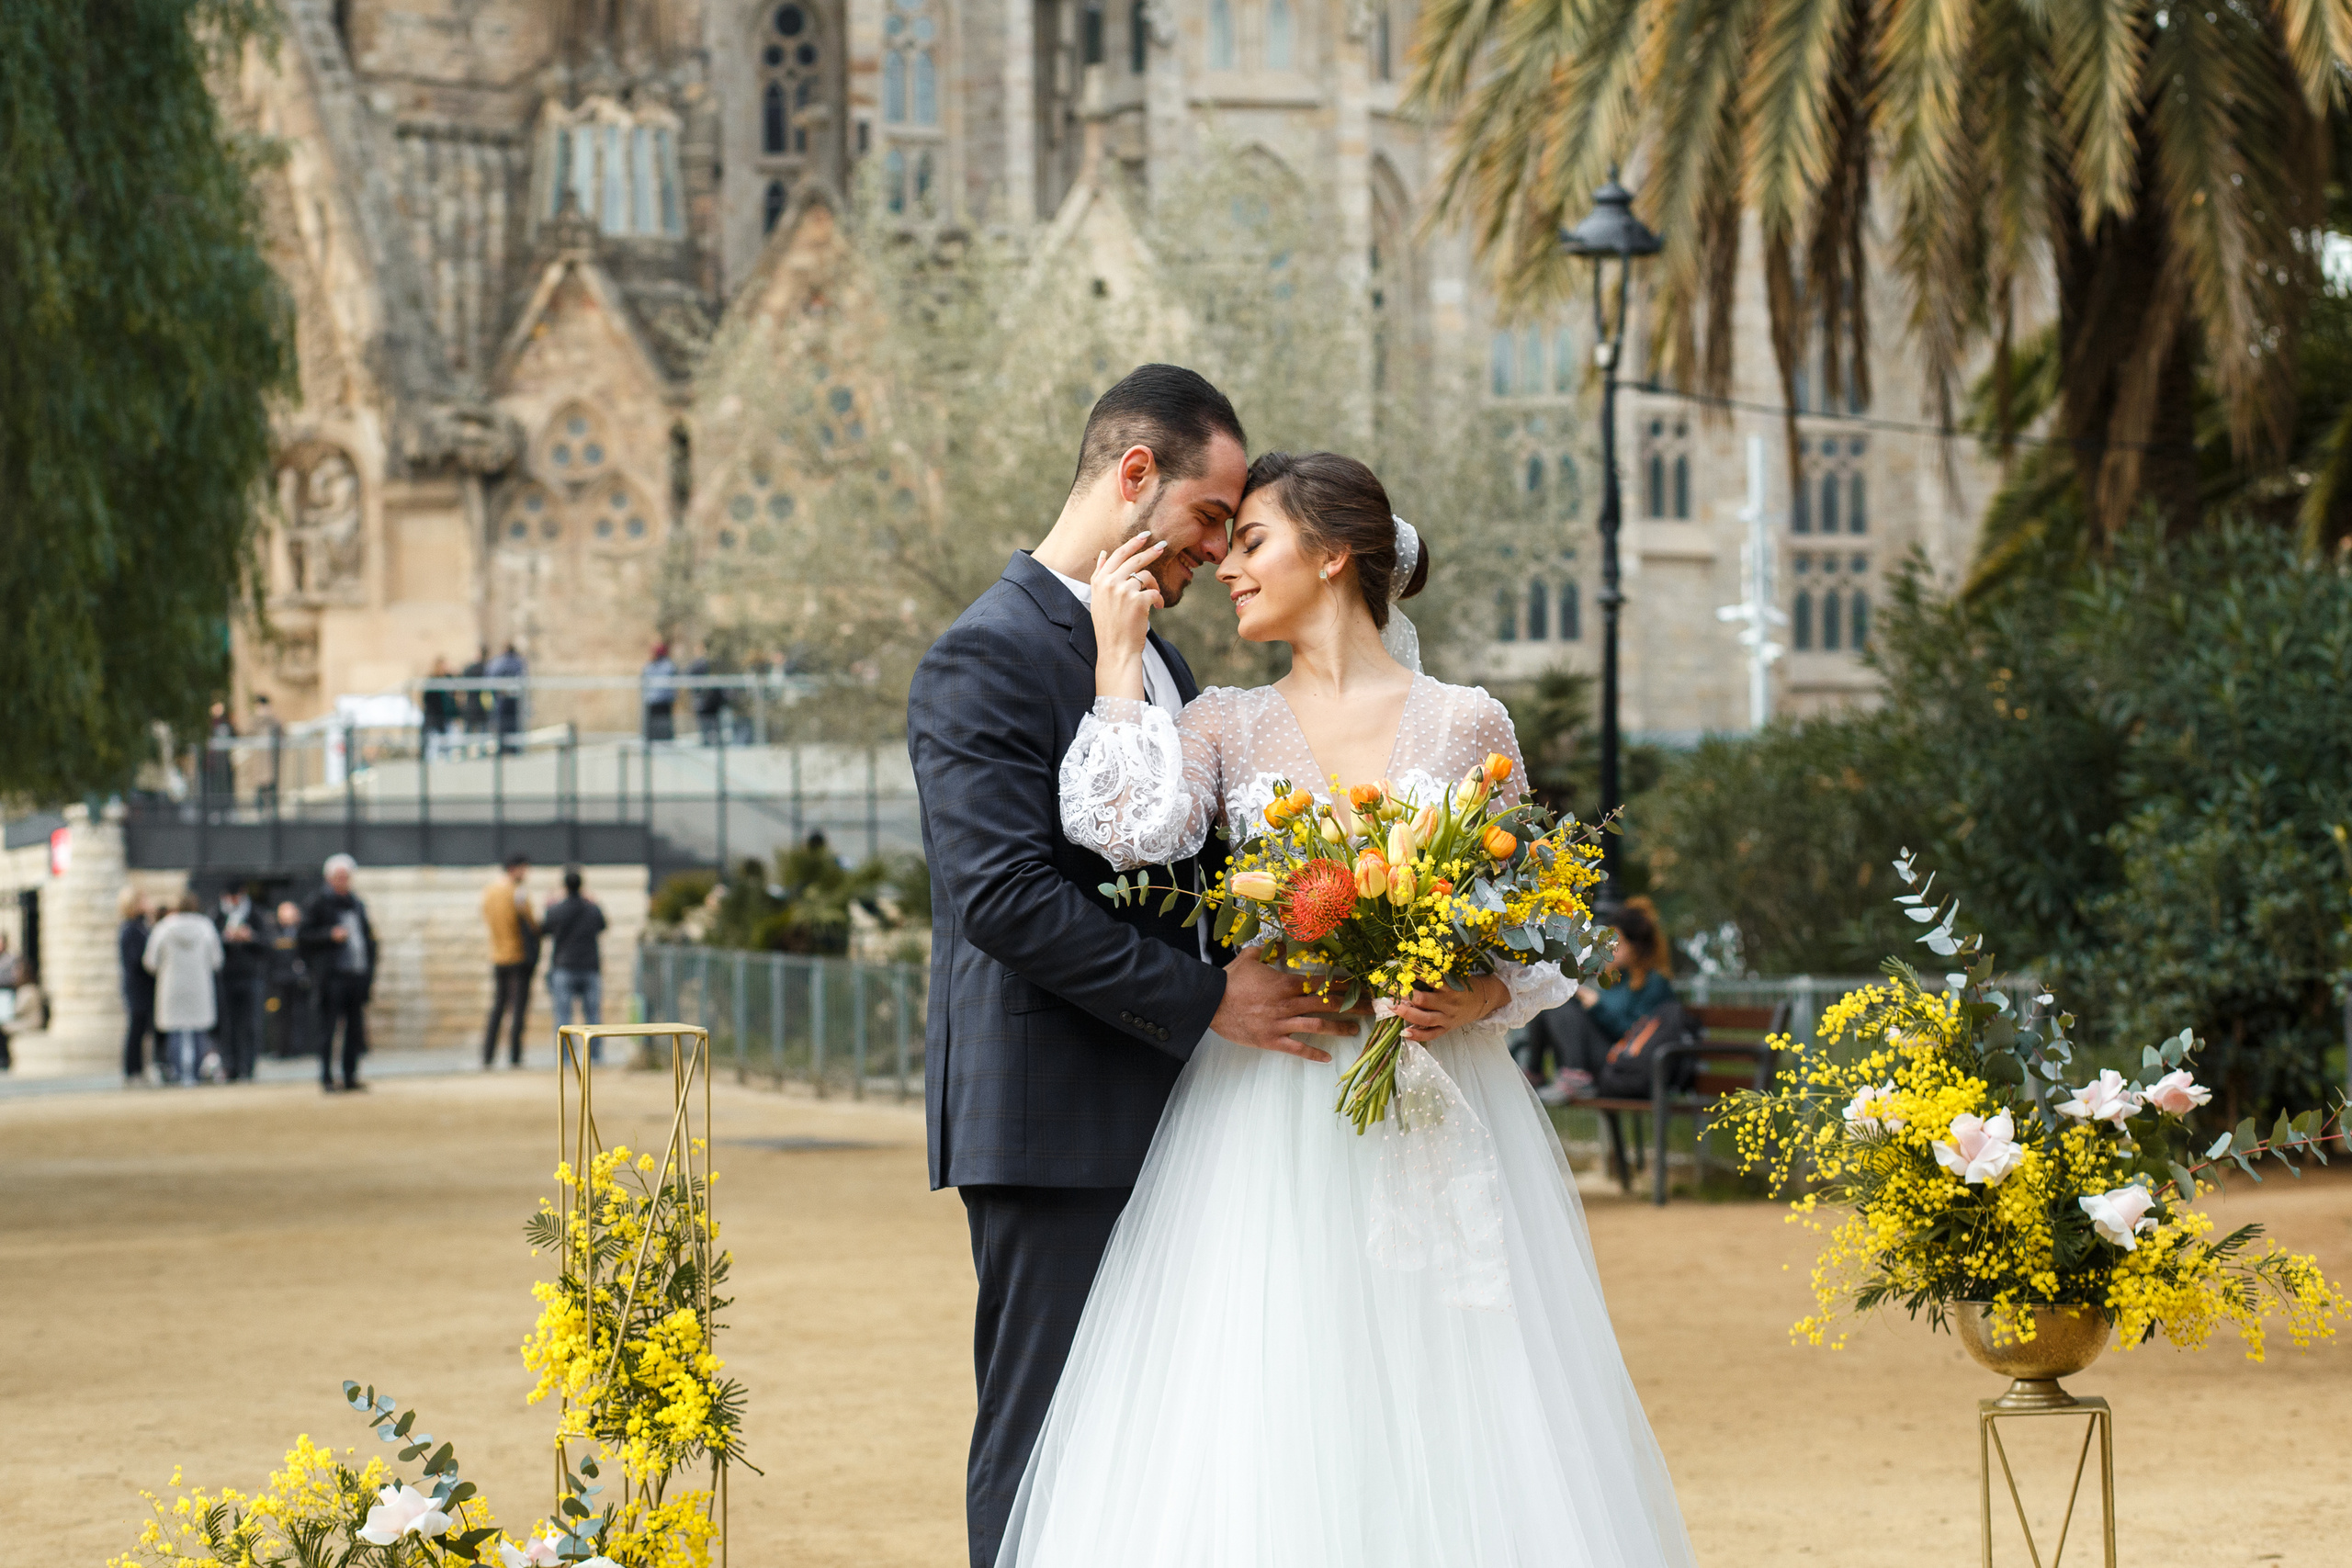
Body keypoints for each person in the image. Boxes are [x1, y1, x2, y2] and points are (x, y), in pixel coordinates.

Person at [994, 428, 1693, 1564]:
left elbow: (1547, 921)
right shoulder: (1223, 720)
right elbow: (1124, 834)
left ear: (1332, 555)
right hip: (1273, 1103)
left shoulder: (1469, 722)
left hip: (1440, 1095)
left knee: (1455, 1386)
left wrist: (1481, 996)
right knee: (1276, 1390)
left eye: (1252, 540)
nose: (1226, 564)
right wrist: (1116, 664)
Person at [911, 367, 1374, 1568]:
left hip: (1180, 1117)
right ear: (1134, 480)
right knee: (1047, 1429)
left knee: (1156, 1445)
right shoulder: (986, 653)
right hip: (1053, 1115)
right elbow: (1002, 897)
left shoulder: (1154, 658)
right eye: (1213, 517)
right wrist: (1213, 996)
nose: (1218, 554)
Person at [1525, 897, 1680, 1105]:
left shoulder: (1654, 984)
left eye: (1616, 942)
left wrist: (1597, 1006)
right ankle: (1536, 1074)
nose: (1607, 948)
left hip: (1622, 1064)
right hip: (1604, 1058)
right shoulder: (1618, 978)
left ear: (1635, 947)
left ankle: (1573, 1076)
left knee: (1561, 1002)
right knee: (1552, 996)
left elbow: (1637, 1034)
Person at [300, 854, 376, 1092]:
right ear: (329, 878)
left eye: (346, 877)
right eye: (339, 877)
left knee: (354, 1030)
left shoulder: (356, 903)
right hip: (332, 977)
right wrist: (329, 935)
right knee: (328, 1029)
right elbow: (303, 937)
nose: (343, 881)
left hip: (355, 974)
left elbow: (368, 937)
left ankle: (350, 1075)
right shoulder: (318, 903)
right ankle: (326, 1077)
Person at [145, 891, 224, 1088]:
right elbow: (217, 960)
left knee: (175, 1030)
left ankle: (178, 1073)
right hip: (199, 985)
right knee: (198, 1030)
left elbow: (150, 961)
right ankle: (196, 1074)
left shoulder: (164, 928)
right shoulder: (205, 927)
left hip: (172, 986)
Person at [542, 868, 608, 1060]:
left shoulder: (556, 910)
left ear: (564, 887)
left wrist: (549, 906)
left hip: (564, 967)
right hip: (589, 967)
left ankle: (565, 1056)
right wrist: (594, 902)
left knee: (563, 1016)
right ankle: (595, 1055)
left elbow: (545, 929)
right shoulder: (592, 908)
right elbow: (603, 926)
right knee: (593, 1016)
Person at [481, 852, 537, 1068]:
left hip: (497, 955)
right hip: (517, 955)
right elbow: (531, 923)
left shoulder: (489, 891)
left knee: (498, 1006)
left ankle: (488, 1054)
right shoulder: (517, 893)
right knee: (518, 1009)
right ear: (515, 869)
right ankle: (515, 1055)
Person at [213, 885, 269, 1082]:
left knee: (250, 1024)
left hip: (251, 976)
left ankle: (248, 1066)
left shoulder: (255, 915)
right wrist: (226, 938)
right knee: (228, 1024)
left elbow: (267, 943)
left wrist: (250, 937)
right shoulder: (218, 916)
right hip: (226, 978)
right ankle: (230, 1066)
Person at [119, 888, 158, 1086]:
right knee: (136, 1029)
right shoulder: (130, 929)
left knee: (143, 1030)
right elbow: (136, 959)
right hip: (138, 987)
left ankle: (141, 1069)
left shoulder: (142, 926)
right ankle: (132, 1071)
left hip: (144, 987)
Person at [266, 897, 315, 1060]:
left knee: (299, 1015)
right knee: (281, 1016)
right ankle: (282, 1049)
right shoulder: (274, 932)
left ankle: (298, 1048)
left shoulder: (302, 931)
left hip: (299, 981)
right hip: (280, 981)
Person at [486, 641, 526, 751]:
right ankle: (514, 749)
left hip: (501, 697)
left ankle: (503, 748)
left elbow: (491, 677)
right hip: (512, 697)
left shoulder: (499, 662)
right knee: (512, 723)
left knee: (502, 724)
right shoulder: (518, 662)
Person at [422, 655, 461, 757]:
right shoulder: (432, 682)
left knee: (451, 748)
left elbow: (455, 696)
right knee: (433, 750)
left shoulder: (448, 680)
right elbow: (429, 702)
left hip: (447, 720)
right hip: (435, 721)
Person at [688, 647, 728, 745]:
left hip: (709, 697)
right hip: (708, 697)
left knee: (710, 721)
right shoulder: (706, 663)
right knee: (710, 722)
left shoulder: (704, 663)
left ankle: (710, 741)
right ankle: (710, 741)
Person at [641, 641, 678, 741]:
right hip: (659, 701)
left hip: (658, 701)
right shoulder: (668, 665)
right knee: (659, 727)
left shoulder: (654, 666)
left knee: (660, 727)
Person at [460, 646, 491, 736]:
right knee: (482, 732)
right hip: (482, 705)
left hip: (472, 703)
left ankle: (464, 749)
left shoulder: (471, 669)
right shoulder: (487, 669)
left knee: (468, 731)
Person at [0, 932, 19, 1072]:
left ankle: (4, 1058)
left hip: (5, 996)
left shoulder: (10, 959)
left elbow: (13, 978)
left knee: (4, 1026)